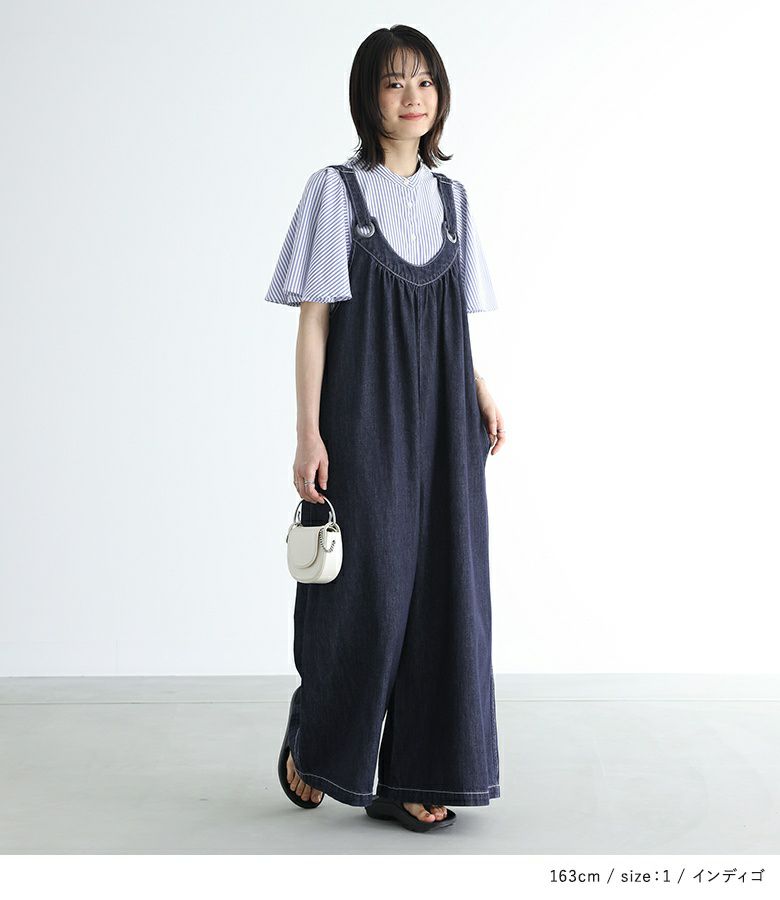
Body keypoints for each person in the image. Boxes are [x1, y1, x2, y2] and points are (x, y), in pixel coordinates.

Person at [265, 25, 506, 832]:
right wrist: (308, 432)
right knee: (366, 588)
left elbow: (449, 325)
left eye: (425, 82)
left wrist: (478, 388)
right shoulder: (336, 192)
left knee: (445, 591)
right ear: (367, 95)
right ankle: (318, 739)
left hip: (445, 417)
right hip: (363, 410)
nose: (413, 97)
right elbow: (315, 322)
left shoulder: (453, 201)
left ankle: (413, 777)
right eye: (395, 82)